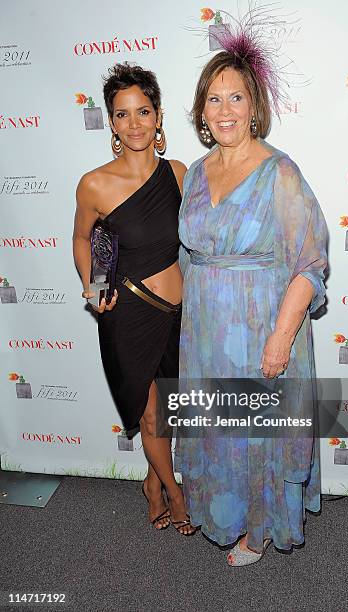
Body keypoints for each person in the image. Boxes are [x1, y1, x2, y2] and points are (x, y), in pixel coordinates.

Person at [175, 33, 328, 563]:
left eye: (236, 97)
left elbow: (310, 264)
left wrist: (280, 340)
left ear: (254, 106)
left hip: (261, 328)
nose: (224, 110)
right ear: (201, 111)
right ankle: (226, 512)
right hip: (207, 336)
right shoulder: (196, 174)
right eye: (213, 99)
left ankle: (258, 530)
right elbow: (190, 256)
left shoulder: (280, 173)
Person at [73, 63, 195, 535]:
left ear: (159, 116)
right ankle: (175, 494)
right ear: (111, 123)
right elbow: (84, 239)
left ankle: (151, 482)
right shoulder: (94, 184)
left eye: (143, 111)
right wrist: (92, 283)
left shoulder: (180, 174)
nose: (134, 124)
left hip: (179, 315)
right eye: (122, 115)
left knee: (167, 413)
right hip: (127, 312)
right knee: (149, 412)